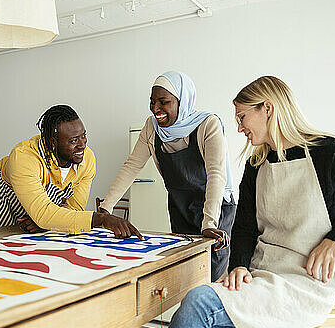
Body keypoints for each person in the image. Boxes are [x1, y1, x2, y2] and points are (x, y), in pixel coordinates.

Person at [150, 76, 335, 328]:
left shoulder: (333, 155)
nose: (238, 127)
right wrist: (238, 265)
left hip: (306, 284)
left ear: (267, 108)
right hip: (263, 275)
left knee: (199, 300)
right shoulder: (256, 166)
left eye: (242, 117)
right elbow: (245, 227)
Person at [99, 71, 236, 281]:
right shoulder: (151, 128)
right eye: (152, 102)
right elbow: (132, 167)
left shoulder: (208, 125)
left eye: (164, 102)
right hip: (180, 206)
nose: (155, 109)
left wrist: (209, 224)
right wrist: (105, 209)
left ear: (182, 101)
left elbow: (216, 175)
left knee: (213, 273)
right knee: (185, 272)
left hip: (215, 209)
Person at [0, 104, 142, 239]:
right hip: (6, 194)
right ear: (53, 142)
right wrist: (101, 219)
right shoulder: (24, 157)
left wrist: (44, 222)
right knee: (4, 243)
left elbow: (73, 209)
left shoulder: (87, 159)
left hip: (42, 207)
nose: (82, 145)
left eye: (83, 136)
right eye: (73, 141)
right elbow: (44, 214)